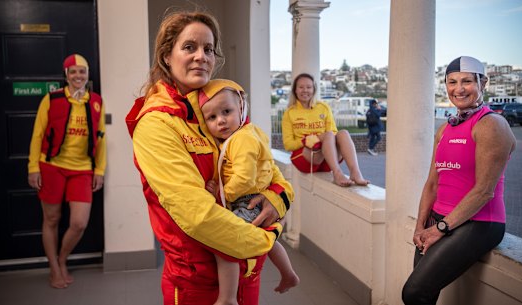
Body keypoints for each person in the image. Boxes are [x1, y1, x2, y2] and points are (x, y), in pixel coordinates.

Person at [125, 11, 293, 305]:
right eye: (189, 47)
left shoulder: (220, 109)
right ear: (167, 56)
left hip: (247, 273)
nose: (201, 56)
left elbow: (270, 173)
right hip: (199, 283)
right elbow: (198, 216)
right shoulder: (156, 123)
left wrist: (278, 199)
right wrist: (268, 237)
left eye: (208, 48)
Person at [401, 56, 516, 304]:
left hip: (479, 223)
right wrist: (421, 225)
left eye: (466, 81)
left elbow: (484, 191)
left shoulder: (492, 124)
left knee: (413, 293)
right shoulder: (445, 129)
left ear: (482, 83)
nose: (458, 88)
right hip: (439, 219)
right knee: (425, 294)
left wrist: (441, 229)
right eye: (452, 82)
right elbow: (432, 183)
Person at [199, 79, 300, 304]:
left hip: (247, 200)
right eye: (212, 118)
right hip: (250, 198)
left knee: (225, 241)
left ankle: (227, 298)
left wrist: (221, 194)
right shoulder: (242, 134)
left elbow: (244, 179)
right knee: (268, 240)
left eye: (227, 111)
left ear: (242, 108)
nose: (221, 121)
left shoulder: (242, 139)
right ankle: (288, 274)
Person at [27, 54, 106, 289]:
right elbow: (37, 135)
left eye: (82, 71)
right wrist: (33, 167)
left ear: (87, 74)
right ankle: (54, 268)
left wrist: (99, 170)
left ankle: (62, 259)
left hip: (82, 169)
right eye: (73, 72)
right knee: (51, 219)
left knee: (79, 222)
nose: (78, 76)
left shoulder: (96, 102)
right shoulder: (51, 99)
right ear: (66, 75)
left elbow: (101, 138)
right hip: (51, 166)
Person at [281, 73, 369, 187]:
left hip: (328, 158)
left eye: (308, 87)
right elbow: (288, 145)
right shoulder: (290, 113)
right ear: (295, 90)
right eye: (301, 87)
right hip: (306, 158)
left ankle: (355, 172)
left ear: (314, 89)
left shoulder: (323, 107)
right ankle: (337, 174)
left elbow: (333, 132)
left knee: (343, 133)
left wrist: (321, 138)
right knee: (327, 135)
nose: (305, 90)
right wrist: (307, 140)